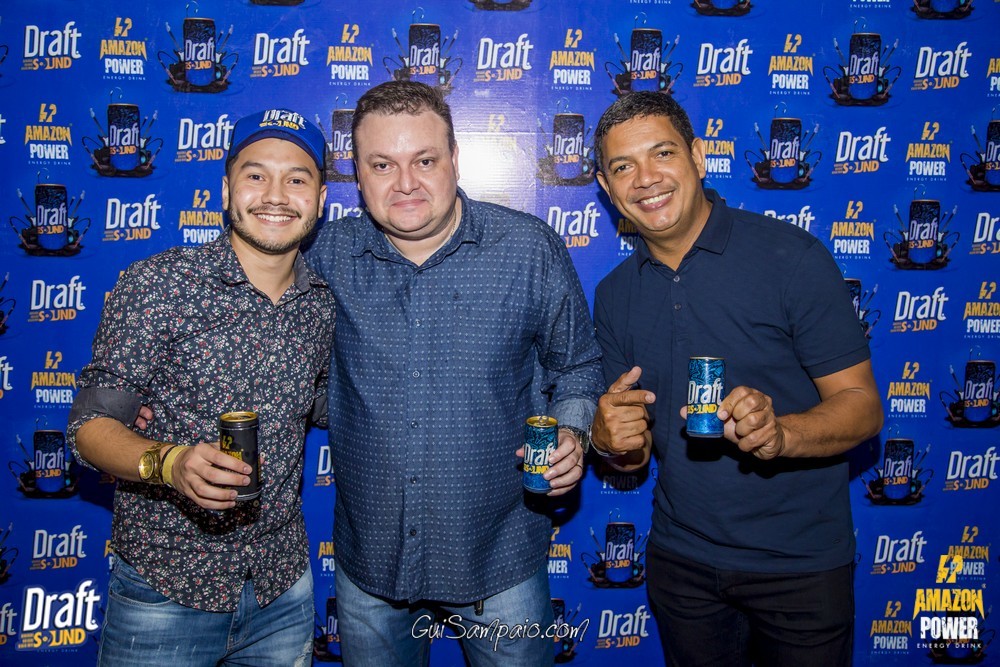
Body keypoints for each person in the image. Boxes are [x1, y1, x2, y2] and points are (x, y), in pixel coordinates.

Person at [306, 80, 603, 666]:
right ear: (356, 175)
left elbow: (577, 366)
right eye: (382, 165)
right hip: (371, 562)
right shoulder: (323, 257)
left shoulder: (528, 249)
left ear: (455, 160)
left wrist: (572, 433)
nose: (405, 183)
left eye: (424, 160)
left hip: (499, 557)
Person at [589, 92, 883, 667]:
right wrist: (609, 441)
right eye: (623, 166)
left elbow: (862, 405)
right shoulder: (614, 294)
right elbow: (634, 455)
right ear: (606, 186)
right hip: (683, 566)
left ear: (698, 157)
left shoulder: (791, 257)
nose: (646, 179)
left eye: (663, 153)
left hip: (799, 567)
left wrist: (782, 434)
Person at [67, 109, 334, 666]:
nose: (276, 195)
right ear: (227, 189)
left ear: (320, 199)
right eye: (256, 175)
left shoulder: (323, 307)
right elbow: (89, 429)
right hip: (163, 591)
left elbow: (340, 406)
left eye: (297, 178)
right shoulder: (158, 284)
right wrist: (169, 463)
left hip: (281, 590)